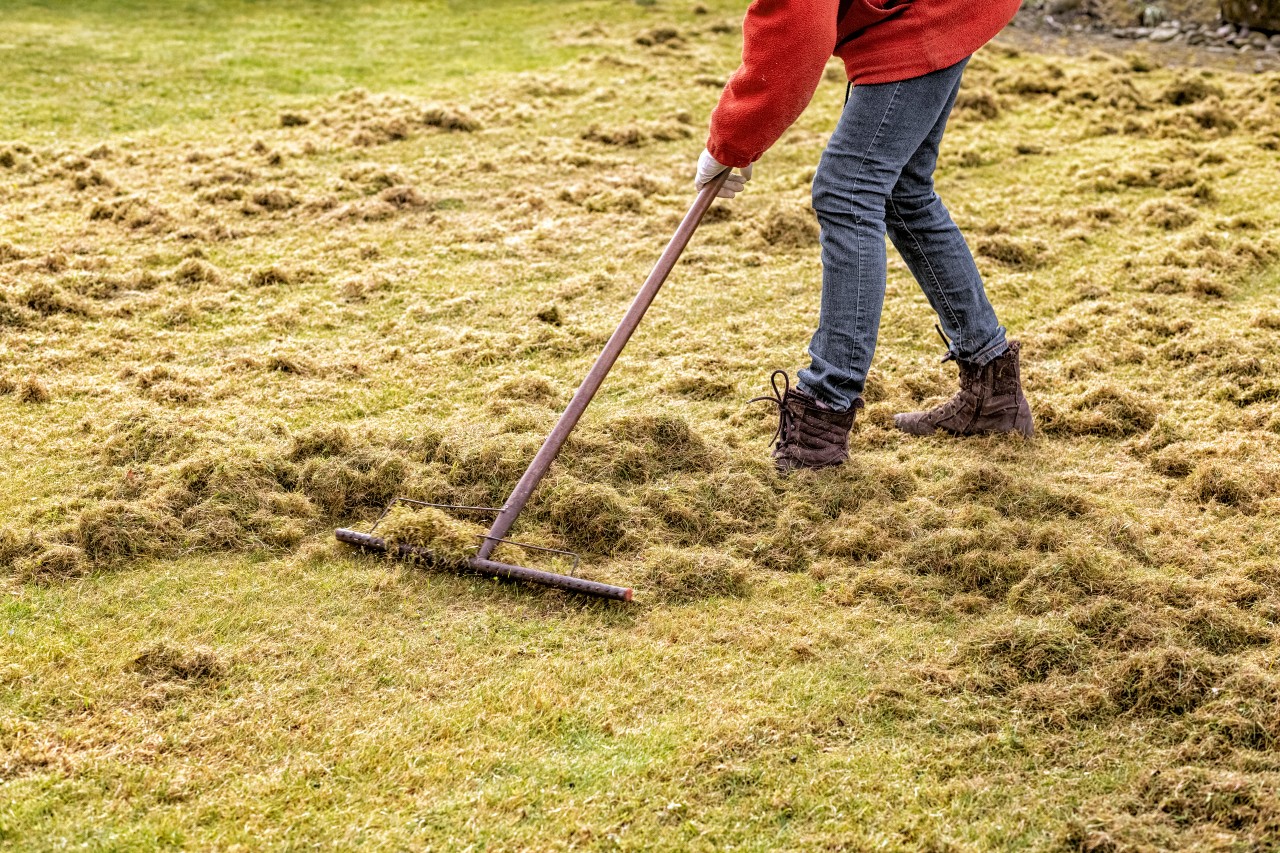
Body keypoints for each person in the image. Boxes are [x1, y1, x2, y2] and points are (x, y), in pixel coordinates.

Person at [695, 0, 1034, 474]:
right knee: (901, 191)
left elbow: (797, 26)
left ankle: (822, 418)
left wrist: (733, 141)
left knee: (847, 191)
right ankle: (992, 392)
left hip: (926, 12)